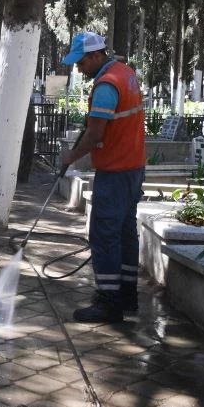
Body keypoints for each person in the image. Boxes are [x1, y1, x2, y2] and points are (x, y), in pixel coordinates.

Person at [60, 32, 145, 323]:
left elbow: (96, 134)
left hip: (116, 170)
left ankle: (108, 302)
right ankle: (127, 296)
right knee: (124, 233)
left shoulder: (107, 85)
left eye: (81, 62)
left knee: (104, 235)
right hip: (134, 167)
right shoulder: (126, 73)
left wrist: (70, 158)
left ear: (97, 56)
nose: (79, 69)